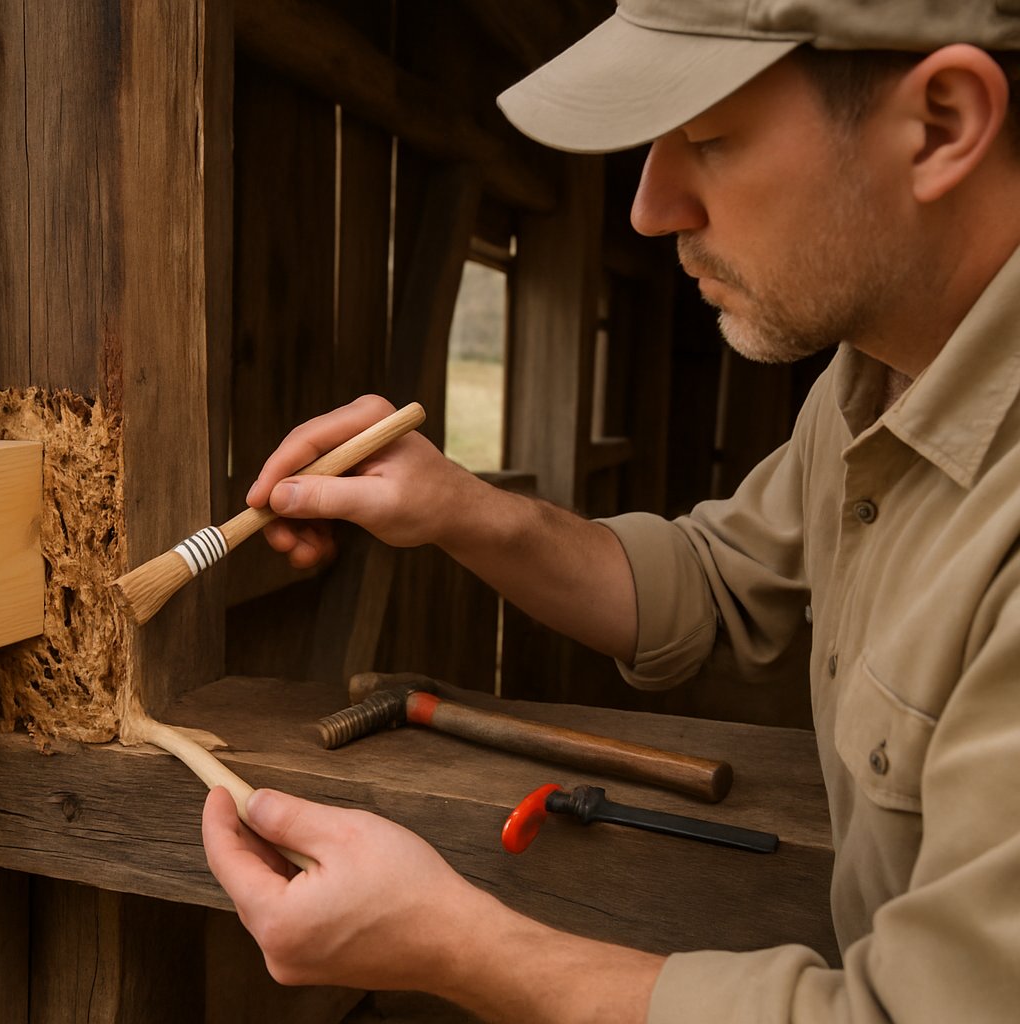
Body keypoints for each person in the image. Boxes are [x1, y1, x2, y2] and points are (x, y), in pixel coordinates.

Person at [199, 2, 1020, 1022]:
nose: (648, 206)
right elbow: (716, 586)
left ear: (941, 123)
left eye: (708, 139)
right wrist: (458, 506)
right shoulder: (876, 377)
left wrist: (458, 943)